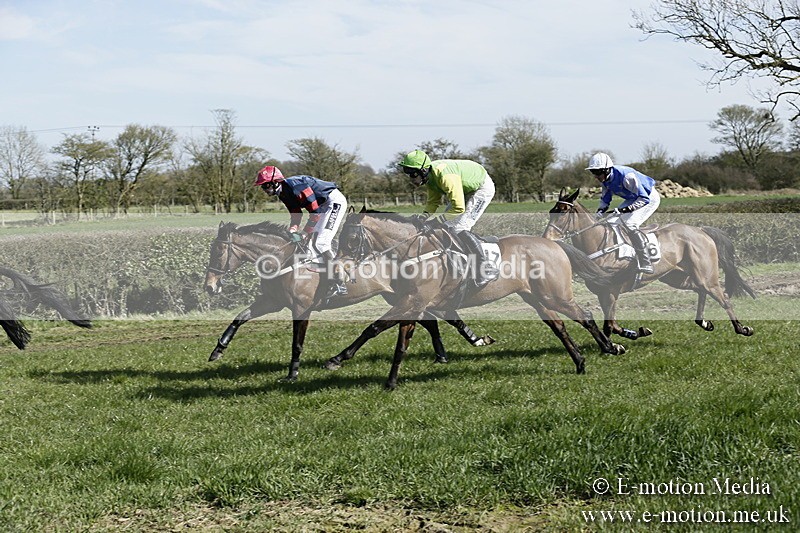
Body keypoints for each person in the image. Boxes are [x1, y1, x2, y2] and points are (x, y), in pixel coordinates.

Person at [399, 149, 499, 287]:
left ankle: (486, 268)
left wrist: (434, 221)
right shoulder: (430, 178)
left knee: (459, 228)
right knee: (445, 227)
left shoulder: (445, 177)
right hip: (464, 189)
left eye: (413, 174)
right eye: (408, 174)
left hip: (481, 188)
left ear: (423, 170)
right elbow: (433, 202)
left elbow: (458, 208)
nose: (411, 179)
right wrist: (423, 218)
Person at [254, 165, 349, 297]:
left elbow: (315, 213)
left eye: (265, 185)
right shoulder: (283, 193)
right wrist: (293, 229)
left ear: (275, 182)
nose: (264, 189)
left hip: (333, 202)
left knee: (321, 243)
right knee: (310, 245)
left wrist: (305, 232)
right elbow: (296, 214)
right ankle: (321, 280)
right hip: (321, 206)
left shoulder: (298, 188)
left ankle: (339, 281)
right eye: (262, 186)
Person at [586, 152, 661, 274]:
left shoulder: (627, 176)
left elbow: (644, 199)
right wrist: (600, 212)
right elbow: (605, 199)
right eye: (593, 172)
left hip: (648, 198)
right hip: (632, 198)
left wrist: (624, 210)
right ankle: (621, 255)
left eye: (598, 172)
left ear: (606, 170)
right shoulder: (605, 180)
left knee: (630, 223)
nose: (596, 176)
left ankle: (645, 261)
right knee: (611, 222)